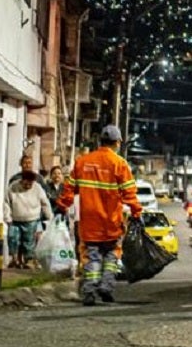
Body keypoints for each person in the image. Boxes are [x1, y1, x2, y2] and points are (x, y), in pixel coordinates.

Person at [58, 124, 142, 306]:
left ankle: (89, 290)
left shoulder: (82, 162)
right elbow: (129, 193)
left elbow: (69, 188)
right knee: (112, 255)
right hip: (111, 220)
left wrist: (62, 205)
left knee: (91, 255)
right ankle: (106, 285)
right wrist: (136, 211)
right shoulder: (119, 164)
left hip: (89, 221)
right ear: (117, 142)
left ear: (100, 141)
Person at [4, 170, 52, 269]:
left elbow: (45, 203)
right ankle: (14, 259)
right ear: (22, 180)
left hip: (31, 219)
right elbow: (6, 203)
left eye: (31, 184)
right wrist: (7, 217)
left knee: (28, 241)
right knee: (13, 239)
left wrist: (49, 216)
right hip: (15, 219)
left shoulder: (37, 188)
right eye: (26, 183)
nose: (28, 186)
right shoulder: (13, 187)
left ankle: (28, 261)